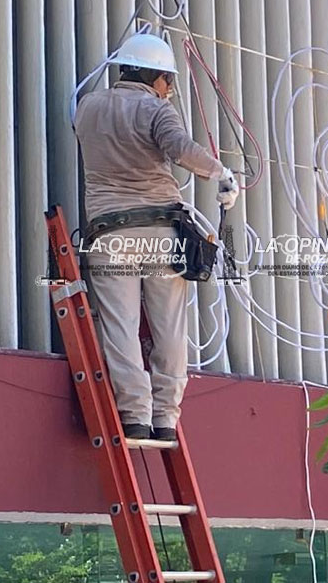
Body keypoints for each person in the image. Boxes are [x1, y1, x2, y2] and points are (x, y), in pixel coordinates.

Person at [73, 33, 239, 441]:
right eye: (169, 83)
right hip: (160, 233)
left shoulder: (87, 106)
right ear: (159, 78)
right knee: (169, 327)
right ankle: (165, 418)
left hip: (107, 233)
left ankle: (134, 413)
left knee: (120, 328)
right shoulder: (155, 108)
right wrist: (222, 174)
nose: (170, 92)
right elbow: (181, 148)